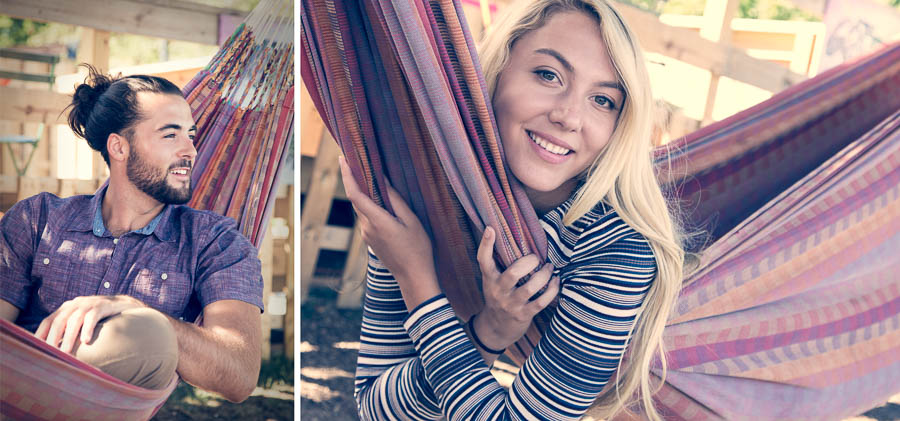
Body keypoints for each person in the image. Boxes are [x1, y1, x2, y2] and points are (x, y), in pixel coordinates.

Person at [339, 0, 686, 420]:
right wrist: (490, 330)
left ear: (619, 127)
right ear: (497, 70)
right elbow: (376, 407)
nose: (569, 116)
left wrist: (417, 281)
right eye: (548, 75)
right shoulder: (429, 193)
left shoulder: (616, 251)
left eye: (602, 100)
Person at [0, 66, 264, 402]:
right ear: (119, 147)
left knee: (146, 332)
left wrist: (137, 311)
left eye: (191, 135)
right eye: (171, 135)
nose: (190, 150)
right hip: (14, 394)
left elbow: (239, 375)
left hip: (108, 405)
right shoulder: (37, 219)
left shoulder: (216, 241)